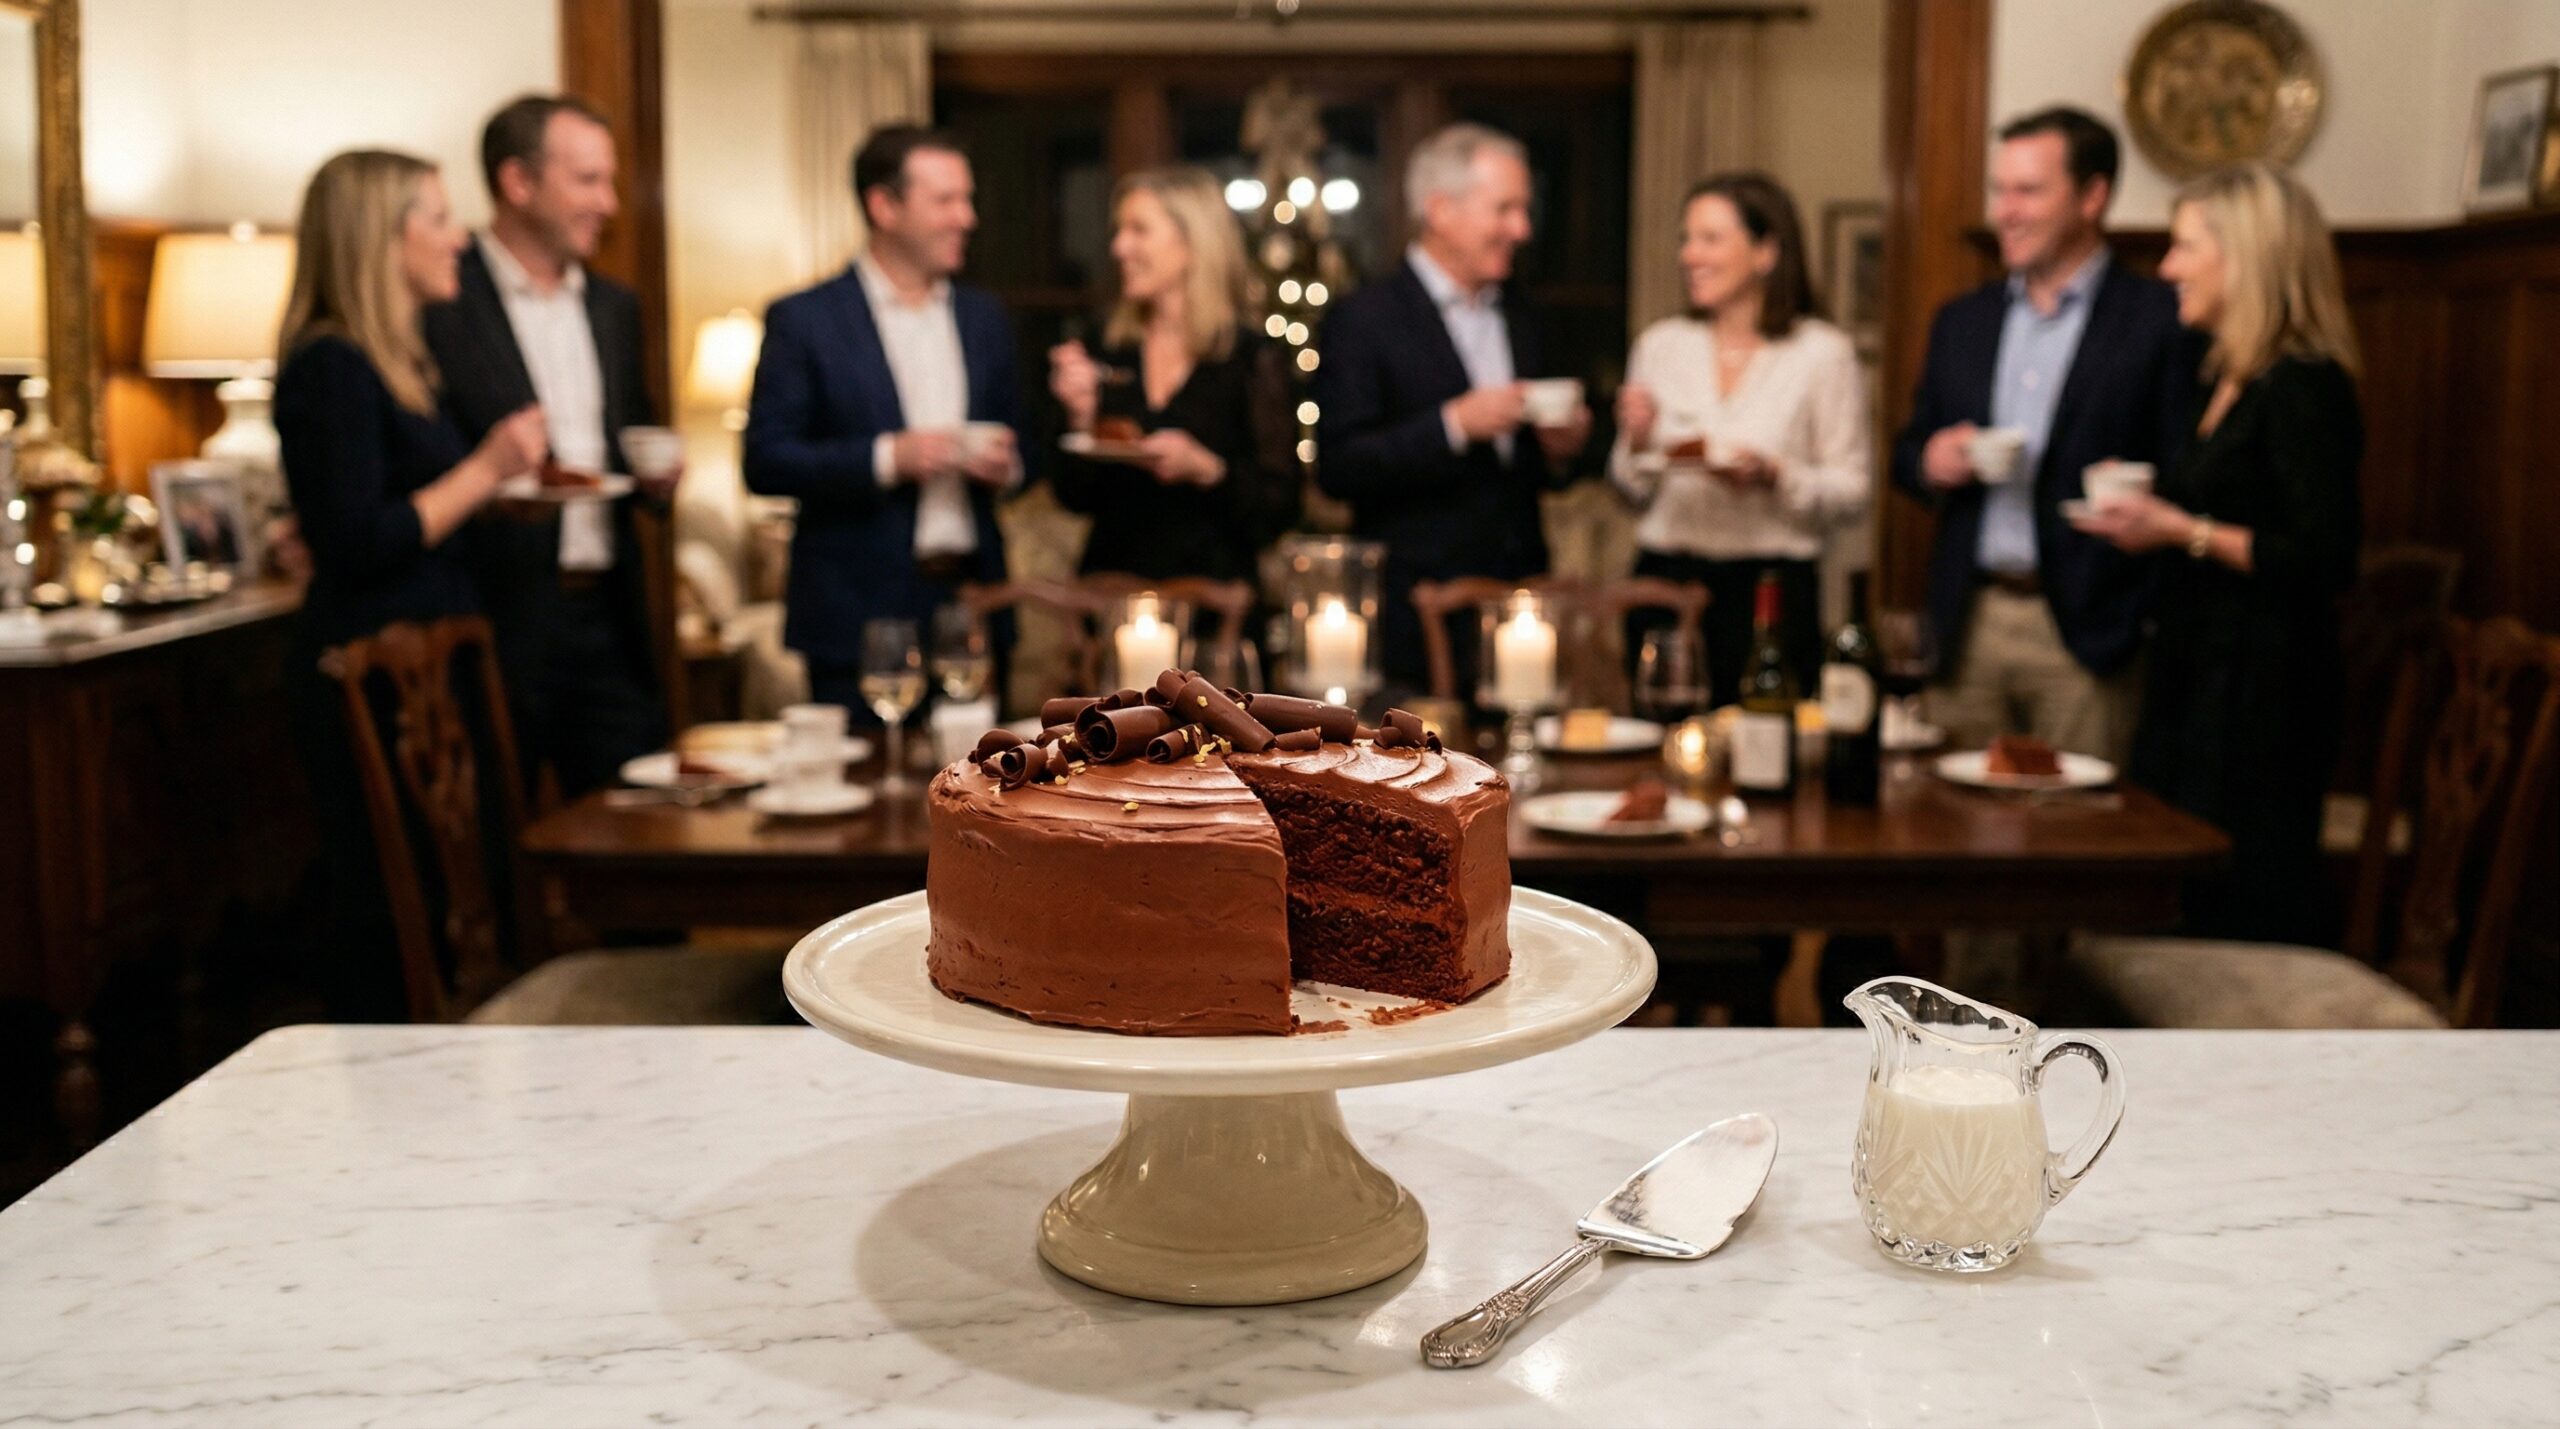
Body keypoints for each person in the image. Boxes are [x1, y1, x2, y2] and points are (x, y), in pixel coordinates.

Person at [273, 148, 549, 1016]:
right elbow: (358, 539)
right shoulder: (332, 364)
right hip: (374, 681)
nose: (458, 237)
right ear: (377, 239)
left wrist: (492, 498)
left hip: (427, 673)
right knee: (397, 919)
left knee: (457, 907)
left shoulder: (403, 363)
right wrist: (489, 468)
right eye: (436, 217)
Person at [2071, 164, 2363, 942]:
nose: (2166, 267)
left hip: (2260, 699)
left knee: (2236, 909)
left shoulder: (2305, 386)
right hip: (2195, 677)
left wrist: (2177, 529)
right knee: (2175, 899)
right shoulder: (2222, 377)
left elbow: (2325, 557)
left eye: (2184, 247)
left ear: (2246, 255)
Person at [1891, 107, 2202, 760]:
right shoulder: (1962, 321)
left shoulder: (2161, 319)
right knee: (1954, 831)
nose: (2006, 210)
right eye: (2000, 190)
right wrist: (1933, 459)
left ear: (2093, 196)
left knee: (2082, 840)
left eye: (2028, 191)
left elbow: (2192, 473)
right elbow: (1907, 453)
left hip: (2091, 632)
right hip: (1968, 624)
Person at [423, 94, 671, 800]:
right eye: (589, 180)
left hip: (609, 615)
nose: (611, 202)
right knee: (497, 837)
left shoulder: (613, 305)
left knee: (642, 832)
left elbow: (632, 430)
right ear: (518, 183)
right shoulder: (443, 294)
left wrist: (656, 473)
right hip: (496, 617)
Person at [744, 125, 1022, 719]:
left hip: (975, 602)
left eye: (967, 199)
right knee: (871, 801)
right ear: (884, 206)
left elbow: (1024, 442)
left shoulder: (984, 317)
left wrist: (1008, 465)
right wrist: (889, 457)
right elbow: (765, 459)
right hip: (856, 612)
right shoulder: (805, 319)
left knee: (984, 799)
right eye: (946, 200)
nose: (966, 217)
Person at [1314, 122, 1592, 692]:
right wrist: (1452, 426)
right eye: (1505, 209)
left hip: (1518, 610)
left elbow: (1537, 473)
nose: (1522, 229)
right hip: (1413, 614)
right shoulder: (1364, 319)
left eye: (1524, 210)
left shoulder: (1524, 314)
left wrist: (1563, 449)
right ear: (1441, 210)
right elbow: (1339, 467)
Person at [1611, 171, 1870, 708]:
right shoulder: (1662, 345)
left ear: (1766, 252)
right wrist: (1636, 441)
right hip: (1666, 582)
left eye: (1710, 239)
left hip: (1770, 590)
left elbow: (1852, 491)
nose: (1690, 255)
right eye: (1687, 239)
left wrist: (1778, 474)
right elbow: (1632, 485)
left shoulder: (1822, 353)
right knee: (1662, 751)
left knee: (1764, 754)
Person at [1048, 167, 1299, 583]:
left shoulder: (1252, 357)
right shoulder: (1107, 348)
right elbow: (1072, 496)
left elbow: (1281, 509)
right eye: (1119, 230)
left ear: (1191, 244)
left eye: (1139, 230)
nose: (1119, 247)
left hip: (1219, 607)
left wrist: (1207, 470)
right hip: (1114, 596)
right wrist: (1079, 417)